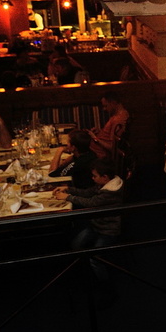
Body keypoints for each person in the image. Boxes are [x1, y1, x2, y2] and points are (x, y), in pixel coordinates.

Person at [53, 156, 124, 286]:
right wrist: (68, 189)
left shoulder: (109, 193)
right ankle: (84, 274)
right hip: (97, 225)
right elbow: (87, 192)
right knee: (75, 245)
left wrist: (68, 197)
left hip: (108, 230)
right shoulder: (104, 184)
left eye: (94, 176)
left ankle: (105, 285)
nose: (92, 178)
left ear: (105, 177)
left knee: (96, 260)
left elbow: (90, 202)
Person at [88, 91, 129, 158]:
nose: (104, 109)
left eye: (106, 106)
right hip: (94, 151)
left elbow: (112, 147)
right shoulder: (118, 115)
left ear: (113, 103)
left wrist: (95, 138)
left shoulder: (118, 120)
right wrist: (100, 131)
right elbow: (109, 135)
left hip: (98, 155)